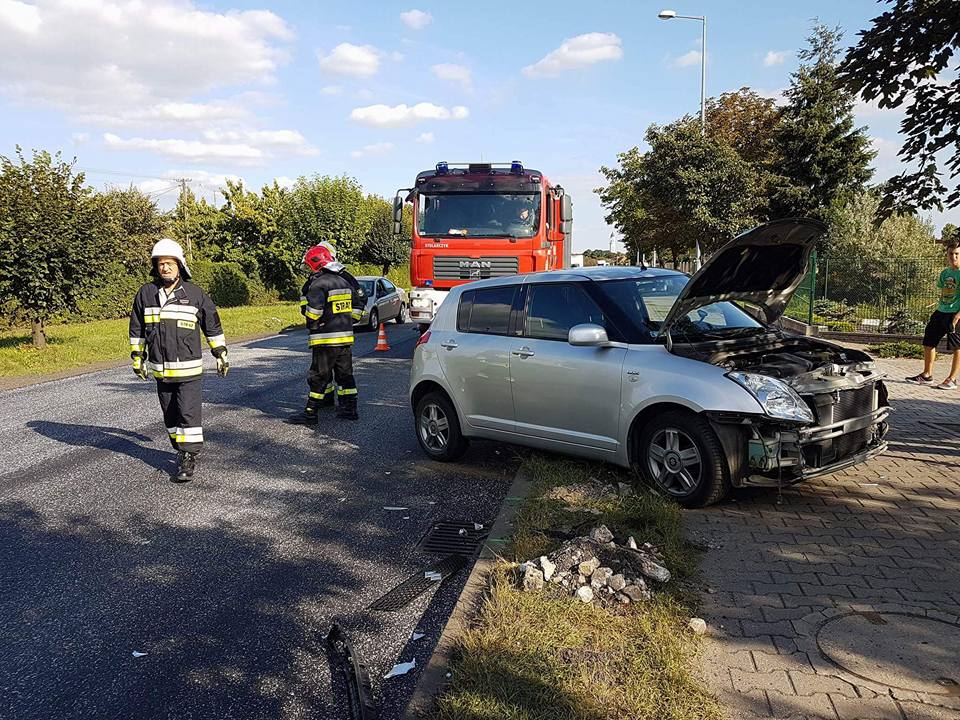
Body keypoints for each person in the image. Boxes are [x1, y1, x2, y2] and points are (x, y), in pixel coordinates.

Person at [129, 239, 229, 482]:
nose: (165, 268)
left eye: (169, 263)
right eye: (161, 264)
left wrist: (220, 352)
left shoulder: (194, 294)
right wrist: (137, 357)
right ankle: (179, 447)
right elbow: (137, 328)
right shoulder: (146, 294)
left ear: (180, 265)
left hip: (188, 371)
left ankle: (188, 456)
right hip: (161, 371)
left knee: (188, 414)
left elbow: (212, 326)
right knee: (170, 416)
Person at [287, 243, 366, 424]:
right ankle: (350, 410)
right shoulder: (344, 281)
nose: (309, 269)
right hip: (345, 338)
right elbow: (357, 307)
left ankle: (310, 413)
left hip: (325, 339)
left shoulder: (318, 284)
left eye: (310, 265)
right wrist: (348, 322)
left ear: (316, 263)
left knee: (318, 376)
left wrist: (314, 326)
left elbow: (313, 313)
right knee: (345, 375)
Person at [906, 244, 960, 389]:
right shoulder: (945, 273)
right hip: (941, 311)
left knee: (957, 347)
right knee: (929, 341)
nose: (953, 257)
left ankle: (952, 379)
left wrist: (957, 316)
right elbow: (944, 291)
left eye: (956, 254)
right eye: (950, 253)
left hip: (956, 314)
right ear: (947, 254)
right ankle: (927, 375)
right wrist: (940, 307)